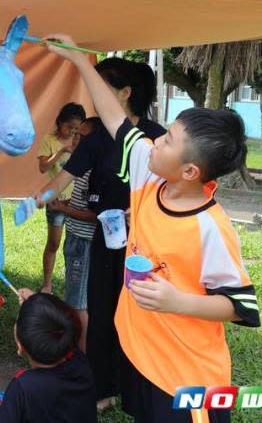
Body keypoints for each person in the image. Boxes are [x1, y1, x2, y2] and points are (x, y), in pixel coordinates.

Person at [46, 35, 261, 423]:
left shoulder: (210, 227)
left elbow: (241, 305)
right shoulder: (149, 175)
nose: (155, 140)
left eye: (168, 140)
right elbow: (114, 117)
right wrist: (79, 60)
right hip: (141, 357)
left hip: (187, 379)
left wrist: (178, 302)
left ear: (190, 172)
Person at [37, 58, 166, 411]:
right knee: (102, 310)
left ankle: (140, 387)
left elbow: (172, 188)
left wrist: (140, 212)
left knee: (140, 313)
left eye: (102, 87)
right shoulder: (97, 138)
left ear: (125, 93)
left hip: (146, 246)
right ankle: (104, 389)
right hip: (106, 239)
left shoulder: (156, 137)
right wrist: (42, 196)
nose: (94, 96)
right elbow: (66, 175)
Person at [0, 290, 97, 423]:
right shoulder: (80, 362)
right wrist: (39, 306)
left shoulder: (24, 387)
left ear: (20, 347)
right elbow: (57, 323)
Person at [45, 117, 98, 352]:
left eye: (83, 136)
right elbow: (81, 202)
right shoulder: (82, 167)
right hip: (75, 236)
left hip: (84, 242)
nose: (77, 139)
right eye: (76, 133)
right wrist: (66, 203)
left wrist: (64, 209)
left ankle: (81, 355)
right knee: (75, 297)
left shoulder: (96, 170)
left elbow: (95, 214)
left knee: (78, 304)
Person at [37, 103, 86, 294]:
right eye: (70, 127)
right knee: (54, 243)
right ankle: (47, 284)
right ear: (60, 123)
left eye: (77, 129)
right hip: (56, 201)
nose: (73, 132)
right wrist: (62, 151)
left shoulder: (81, 141)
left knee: (74, 246)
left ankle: (71, 281)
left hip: (77, 202)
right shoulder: (49, 140)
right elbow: (43, 168)